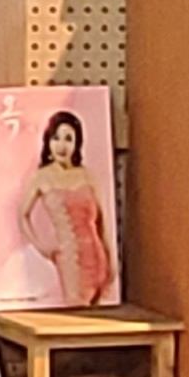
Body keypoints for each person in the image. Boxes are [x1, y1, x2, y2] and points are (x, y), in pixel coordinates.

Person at [20, 110, 115, 306]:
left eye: (68, 139)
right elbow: (22, 215)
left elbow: (103, 223)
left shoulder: (88, 175)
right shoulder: (42, 177)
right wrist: (41, 248)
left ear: (77, 143)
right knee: (75, 310)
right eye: (56, 138)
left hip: (97, 256)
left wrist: (112, 261)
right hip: (69, 259)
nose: (62, 145)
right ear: (48, 141)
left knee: (100, 314)